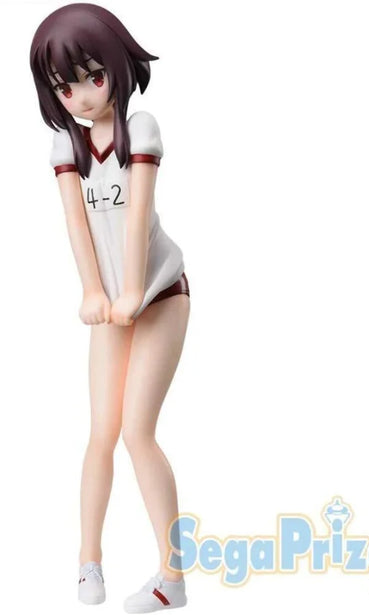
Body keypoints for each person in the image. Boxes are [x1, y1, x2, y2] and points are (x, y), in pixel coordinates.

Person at [30, 4, 190, 612]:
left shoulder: (139, 129)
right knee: (100, 432)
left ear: (116, 69)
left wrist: (131, 292)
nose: (79, 95)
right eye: (63, 87)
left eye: (91, 77)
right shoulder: (66, 144)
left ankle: (172, 578)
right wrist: (93, 291)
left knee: (136, 431)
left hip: (159, 294)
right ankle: (87, 562)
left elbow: (138, 215)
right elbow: (76, 223)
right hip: (114, 304)